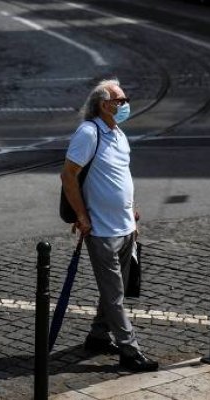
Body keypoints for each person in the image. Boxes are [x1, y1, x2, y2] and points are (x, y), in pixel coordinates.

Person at [61, 79, 159, 373]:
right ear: (105, 105)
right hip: (102, 230)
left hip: (125, 226)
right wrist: (82, 216)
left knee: (114, 290)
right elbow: (68, 176)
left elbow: (120, 176)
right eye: (121, 100)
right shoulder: (89, 133)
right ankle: (130, 351)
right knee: (115, 293)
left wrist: (132, 211)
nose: (126, 104)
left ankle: (98, 336)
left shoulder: (118, 133)